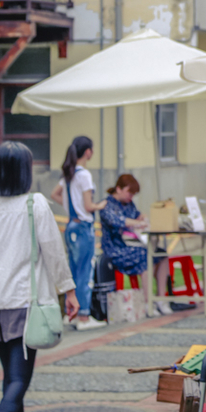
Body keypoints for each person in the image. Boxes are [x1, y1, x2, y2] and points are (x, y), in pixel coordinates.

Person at [0, 142, 78, 412]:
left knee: (10, 378)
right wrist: (69, 291)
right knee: (19, 381)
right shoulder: (36, 204)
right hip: (24, 303)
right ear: (24, 171)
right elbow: (54, 252)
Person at [50, 136, 108, 331]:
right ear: (88, 152)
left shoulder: (69, 173)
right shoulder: (84, 175)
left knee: (73, 272)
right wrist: (101, 204)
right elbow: (89, 205)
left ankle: (71, 314)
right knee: (85, 272)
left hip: (70, 226)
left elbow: (54, 193)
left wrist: (68, 206)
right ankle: (83, 315)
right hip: (83, 228)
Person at [99, 174, 173, 315]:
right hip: (115, 250)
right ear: (119, 189)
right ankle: (148, 302)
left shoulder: (129, 204)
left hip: (134, 245)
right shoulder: (107, 205)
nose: (131, 197)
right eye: (129, 192)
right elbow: (117, 221)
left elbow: (137, 215)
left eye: (133, 194)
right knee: (144, 256)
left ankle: (161, 299)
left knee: (162, 254)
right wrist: (137, 223)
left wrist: (142, 218)